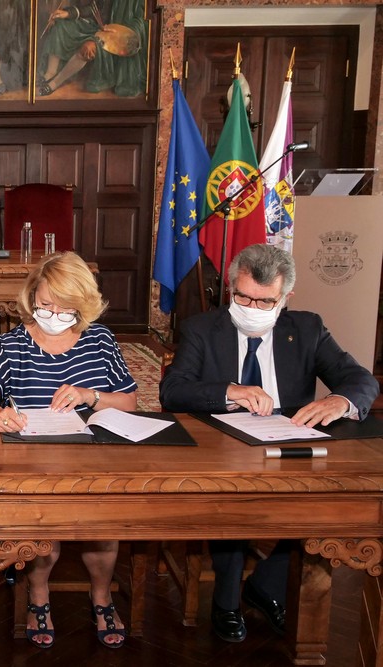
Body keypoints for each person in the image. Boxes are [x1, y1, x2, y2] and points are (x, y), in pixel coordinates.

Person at [159, 243, 379, 643]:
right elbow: (172, 391)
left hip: (288, 444)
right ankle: (225, 601)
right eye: (243, 297)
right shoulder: (202, 329)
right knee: (234, 502)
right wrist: (229, 391)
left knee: (321, 506)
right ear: (230, 290)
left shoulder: (307, 328)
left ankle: (265, 585)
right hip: (220, 448)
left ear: (285, 298)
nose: (251, 306)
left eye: (265, 301)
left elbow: (362, 380)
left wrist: (338, 400)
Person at [0, 251, 136, 650]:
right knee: (44, 531)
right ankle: (38, 593)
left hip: (93, 459)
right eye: (46, 304)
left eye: (65, 307)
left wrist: (89, 395)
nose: (54, 313)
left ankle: (101, 596)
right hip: (35, 460)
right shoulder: (14, 343)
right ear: (32, 297)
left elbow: (129, 401)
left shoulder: (100, 339)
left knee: (103, 530)